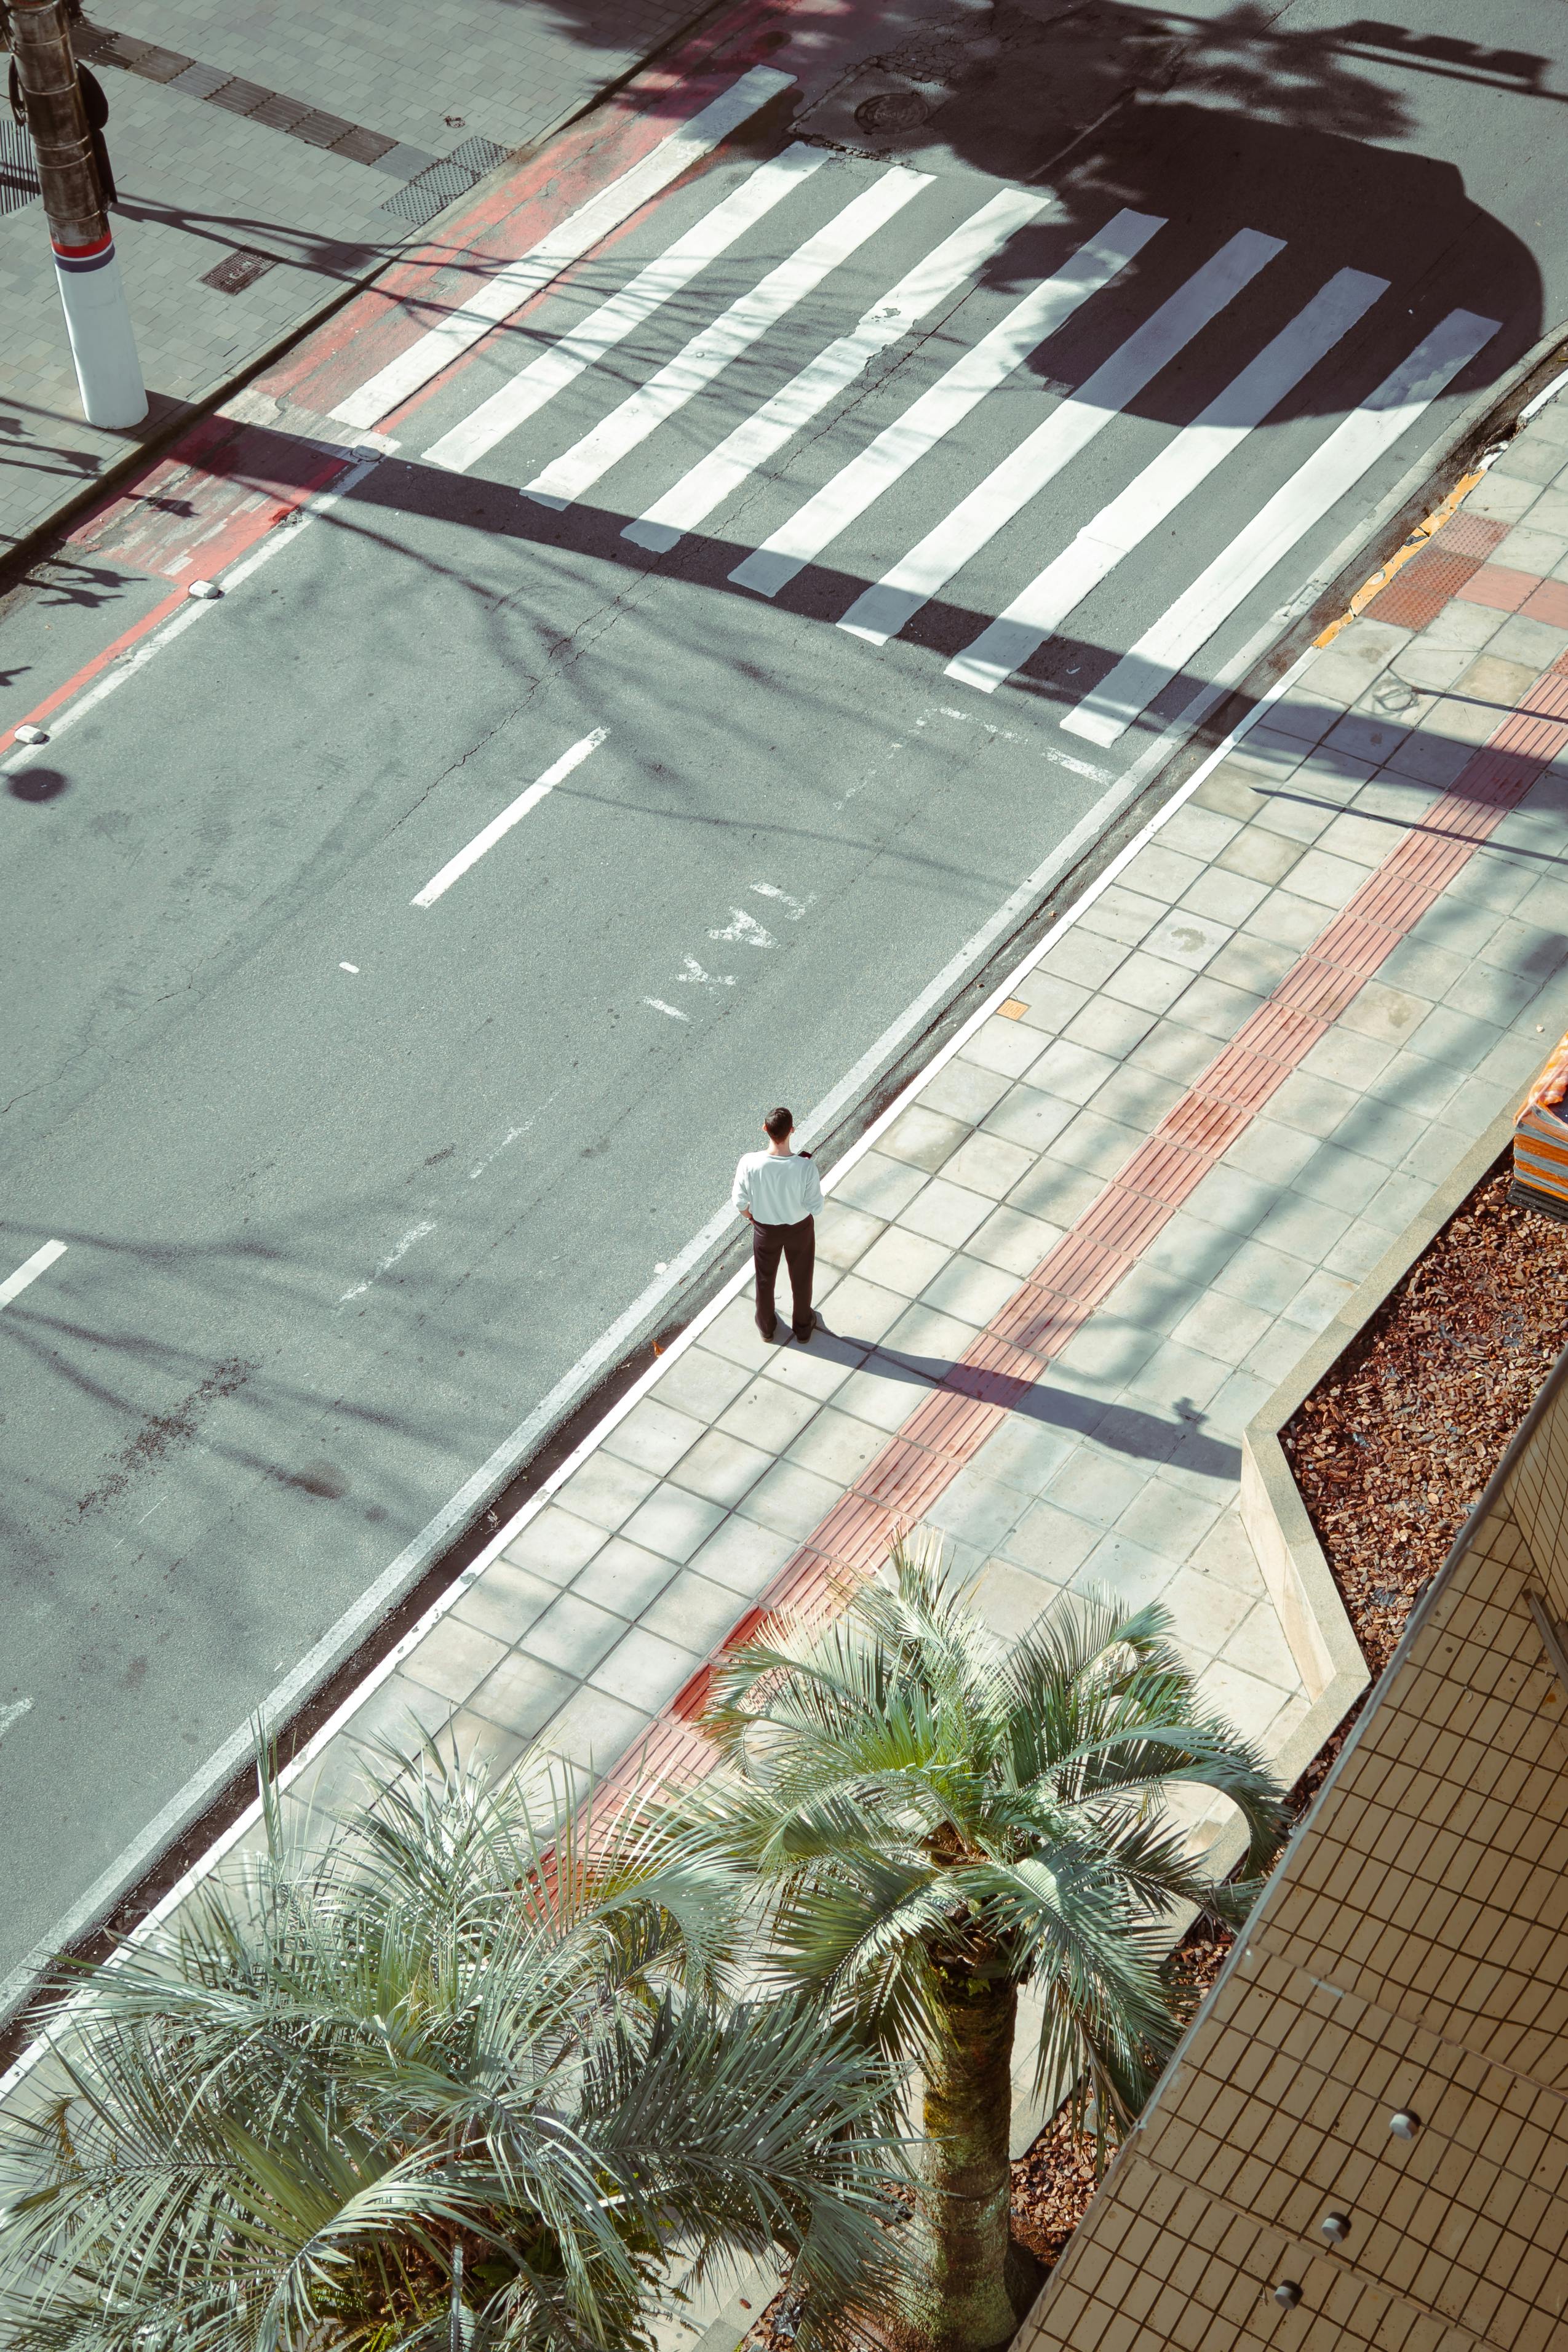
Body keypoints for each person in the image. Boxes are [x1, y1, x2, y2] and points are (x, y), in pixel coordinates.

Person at [732, 1106, 823, 1343]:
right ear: (792, 1131)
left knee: (764, 1279)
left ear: (765, 1129)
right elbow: (816, 1207)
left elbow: (739, 1201)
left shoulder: (749, 1163)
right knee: (802, 1278)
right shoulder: (805, 1167)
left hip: (765, 1230)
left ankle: (766, 1327)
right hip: (799, 1229)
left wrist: (751, 1217)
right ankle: (803, 1326)